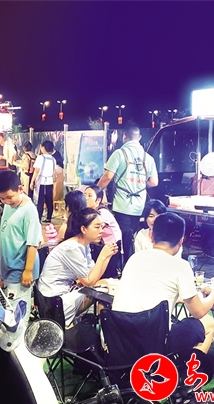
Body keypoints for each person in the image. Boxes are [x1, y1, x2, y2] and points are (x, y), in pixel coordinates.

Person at [112, 213, 214, 354]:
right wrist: (213, 294)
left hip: (120, 340)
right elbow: (198, 312)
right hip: (155, 343)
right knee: (208, 323)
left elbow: (150, 291)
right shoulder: (181, 266)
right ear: (181, 241)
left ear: (152, 236)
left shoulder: (134, 259)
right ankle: (182, 367)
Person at [37, 208, 118, 326]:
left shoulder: (83, 245)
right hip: (53, 302)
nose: (101, 231)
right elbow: (89, 282)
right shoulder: (72, 248)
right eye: (97, 227)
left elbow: (93, 274)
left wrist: (107, 256)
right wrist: (102, 256)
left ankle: (102, 328)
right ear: (83, 229)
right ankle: (104, 331)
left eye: (102, 227)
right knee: (104, 291)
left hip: (61, 295)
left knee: (106, 285)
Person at [0, 170, 42, 350]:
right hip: (9, 267)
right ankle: (11, 345)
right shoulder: (9, 205)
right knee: (10, 308)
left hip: (21, 270)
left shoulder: (29, 211)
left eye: (9, 197)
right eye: (2, 198)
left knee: (18, 313)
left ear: (20, 189)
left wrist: (28, 270)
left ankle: (18, 348)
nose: (6, 201)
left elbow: (32, 244)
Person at [97, 124, 158, 265]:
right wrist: (139, 184)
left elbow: (108, 177)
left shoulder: (119, 154)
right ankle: (134, 265)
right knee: (134, 238)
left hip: (122, 205)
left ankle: (121, 267)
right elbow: (154, 182)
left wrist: (97, 191)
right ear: (139, 137)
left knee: (121, 239)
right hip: (139, 206)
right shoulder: (148, 158)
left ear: (124, 136)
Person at [84, 185, 122, 278]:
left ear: (98, 200)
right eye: (84, 195)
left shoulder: (103, 213)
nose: (86, 198)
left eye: (89, 196)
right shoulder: (91, 212)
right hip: (99, 245)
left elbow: (91, 228)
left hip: (112, 248)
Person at [30, 140, 57, 223]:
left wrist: (32, 181)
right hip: (50, 182)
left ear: (44, 147)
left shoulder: (40, 158)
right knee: (49, 200)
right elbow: (54, 172)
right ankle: (49, 217)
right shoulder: (53, 159)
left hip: (41, 182)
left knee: (40, 200)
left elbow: (36, 170)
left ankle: (38, 218)